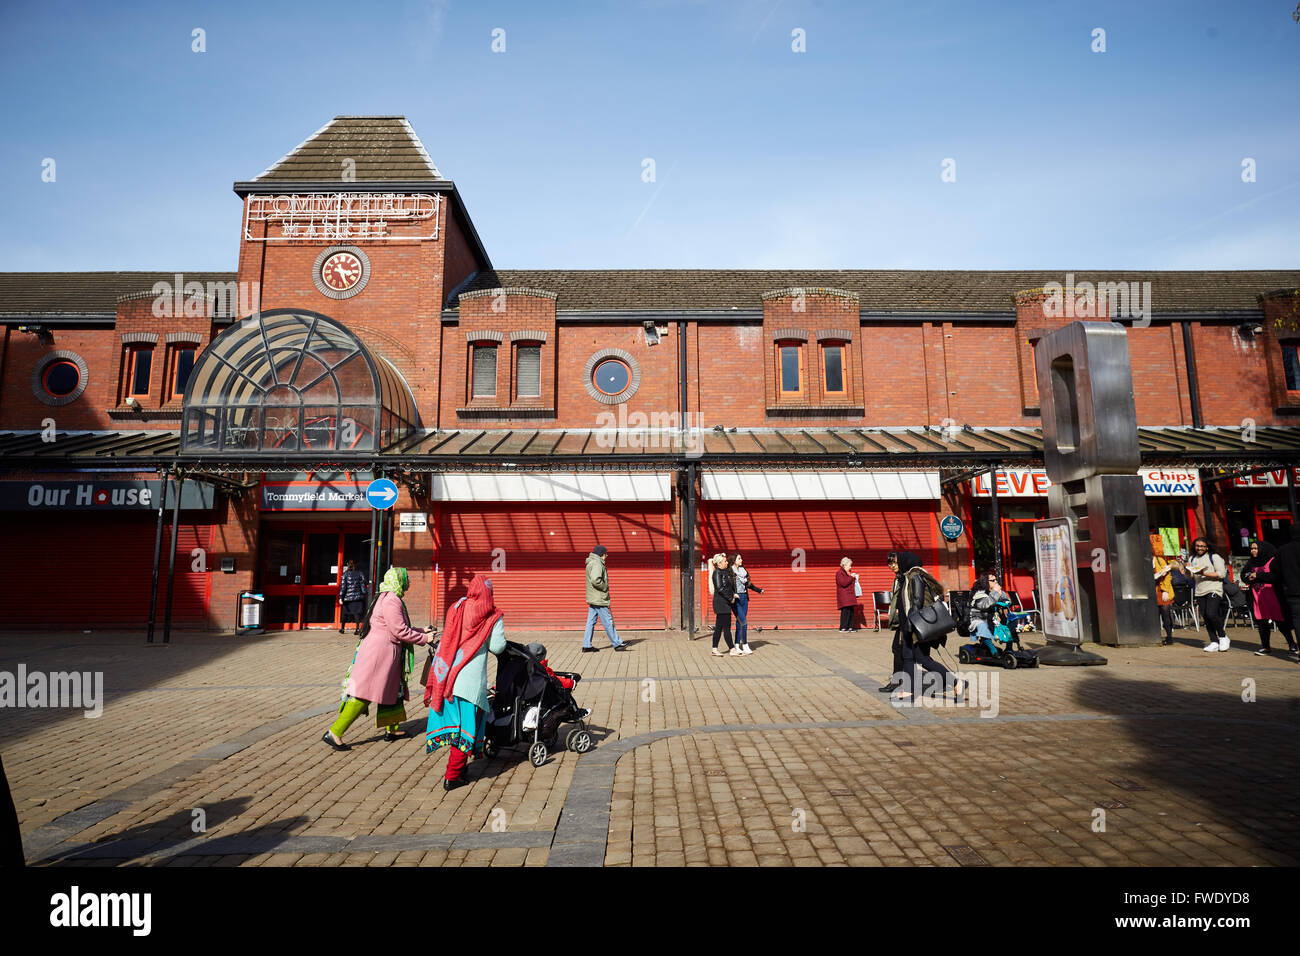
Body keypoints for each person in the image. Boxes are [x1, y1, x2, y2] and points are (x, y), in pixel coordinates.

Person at [322, 566, 433, 751]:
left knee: (392, 690)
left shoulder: (387, 597)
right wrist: (424, 639)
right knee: (364, 694)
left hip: (384, 654)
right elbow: (399, 630)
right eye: (406, 578)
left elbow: (398, 626)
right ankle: (335, 732)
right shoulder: (391, 600)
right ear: (399, 580)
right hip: (379, 656)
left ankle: (393, 729)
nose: (409, 582)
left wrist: (422, 631)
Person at [425, 576, 508, 790]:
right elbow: (498, 647)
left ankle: (459, 770)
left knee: (457, 728)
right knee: (465, 730)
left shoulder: (457, 606)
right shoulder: (493, 614)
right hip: (470, 684)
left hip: (447, 676)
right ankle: (452, 776)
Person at [888, 551, 963, 701]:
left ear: (905, 561)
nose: (894, 565)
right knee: (910, 656)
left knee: (922, 659)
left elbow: (917, 600)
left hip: (914, 625)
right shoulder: (906, 577)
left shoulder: (915, 577)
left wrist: (910, 621)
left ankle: (955, 682)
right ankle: (910, 690)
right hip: (908, 625)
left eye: (896, 562)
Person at [1241, 540, 1297, 657]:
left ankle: (1291, 643)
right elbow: (1244, 575)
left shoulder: (1273, 561)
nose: (1253, 551)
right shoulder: (1251, 562)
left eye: (1255, 548)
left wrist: (1258, 575)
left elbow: (1276, 576)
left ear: (1262, 549)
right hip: (1257, 597)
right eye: (1252, 548)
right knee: (1262, 622)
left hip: (1273, 596)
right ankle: (1265, 647)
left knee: (1281, 622)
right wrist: (1248, 578)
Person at [1187, 536, 1229, 652]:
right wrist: (1186, 570)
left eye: (1202, 546)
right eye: (1197, 546)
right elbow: (1191, 576)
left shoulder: (1214, 557)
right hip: (1200, 590)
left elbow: (1221, 574)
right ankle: (1214, 641)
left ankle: (1223, 636)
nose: (1199, 548)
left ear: (1207, 547)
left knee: (1211, 613)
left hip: (1214, 588)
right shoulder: (1192, 558)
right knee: (1205, 616)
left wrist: (1204, 573)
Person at [583, 545, 628, 653]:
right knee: (608, 621)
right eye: (605, 554)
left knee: (591, 622)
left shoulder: (591, 562)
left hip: (594, 597)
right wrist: (605, 587)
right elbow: (595, 580)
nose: (606, 556)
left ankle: (586, 645)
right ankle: (617, 643)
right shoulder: (597, 563)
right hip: (599, 598)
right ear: (601, 554)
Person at [879, 553, 906, 693]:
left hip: (907, 621)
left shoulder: (906, 578)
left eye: (894, 562)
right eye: (890, 564)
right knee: (899, 650)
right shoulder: (898, 579)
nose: (892, 566)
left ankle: (898, 682)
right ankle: (898, 681)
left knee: (917, 656)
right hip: (901, 621)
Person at [969, 570, 1009, 656]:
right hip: (980, 618)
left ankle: (1009, 649)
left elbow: (1007, 600)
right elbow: (986, 605)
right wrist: (995, 592)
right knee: (983, 626)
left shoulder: (994, 591)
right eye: (993, 580)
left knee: (1011, 622)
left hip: (994, 616)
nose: (996, 582)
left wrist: (1000, 593)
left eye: (996, 580)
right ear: (985, 582)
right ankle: (993, 651)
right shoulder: (979, 593)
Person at [731, 552, 763, 655]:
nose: (741, 560)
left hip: (744, 598)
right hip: (736, 599)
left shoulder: (743, 570)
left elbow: (748, 584)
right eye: (739, 559)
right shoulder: (730, 571)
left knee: (739, 622)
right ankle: (745, 645)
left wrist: (758, 590)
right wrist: (732, 595)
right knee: (743, 622)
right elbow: (727, 585)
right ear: (734, 560)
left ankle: (736, 645)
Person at [711, 553, 740, 656]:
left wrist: (733, 594)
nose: (727, 562)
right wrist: (731, 597)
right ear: (719, 563)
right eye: (725, 561)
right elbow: (720, 588)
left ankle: (714, 649)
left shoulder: (725, 572)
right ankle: (732, 649)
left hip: (724, 602)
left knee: (719, 627)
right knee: (726, 627)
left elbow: (728, 587)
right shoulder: (717, 573)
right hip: (721, 603)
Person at [1151, 534, 1176, 646]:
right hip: (1152, 591)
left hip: (1161, 590)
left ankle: (1169, 637)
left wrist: (1165, 590)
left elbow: (1167, 576)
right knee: (1154, 615)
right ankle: (1155, 637)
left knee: (1165, 614)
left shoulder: (1159, 559)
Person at [337, 559, 368, 635]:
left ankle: (342, 628)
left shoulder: (345, 574)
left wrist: (341, 597)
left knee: (345, 613)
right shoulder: (360, 573)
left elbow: (343, 587)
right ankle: (357, 629)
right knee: (356, 614)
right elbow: (365, 582)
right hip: (358, 597)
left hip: (347, 598)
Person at [835, 557, 861, 631]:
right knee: (845, 612)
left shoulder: (846, 573)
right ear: (844, 565)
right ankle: (843, 627)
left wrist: (853, 577)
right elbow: (843, 583)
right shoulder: (839, 573)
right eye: (849, 565)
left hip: (849, 596)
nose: (850, 567)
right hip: (845, 597)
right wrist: (851, 577)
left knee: (851, 611)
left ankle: (850, 627)